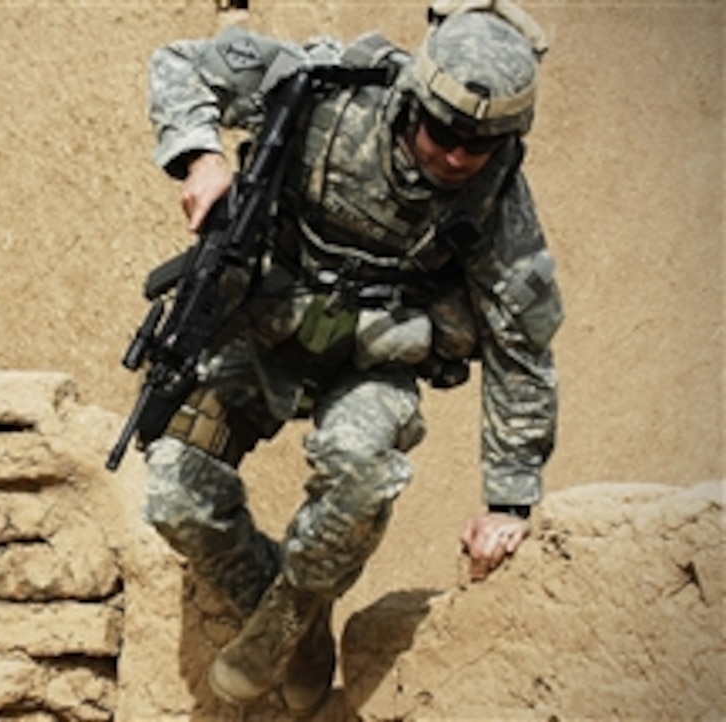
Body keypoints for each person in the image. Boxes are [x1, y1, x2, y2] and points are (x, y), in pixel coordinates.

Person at [139, 0, 563, 715]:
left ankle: (292, 607)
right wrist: (202, 156)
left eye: (482, 144)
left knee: (361, 470)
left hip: (376, 357)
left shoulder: (496, 199)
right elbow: (179, 64)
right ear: (414, 99)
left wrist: (510, 500)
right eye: (445, 131)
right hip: (268, 329)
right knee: (175, 494)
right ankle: (297, 626)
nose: (458, 156)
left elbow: (523, 343)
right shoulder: (323, 89)